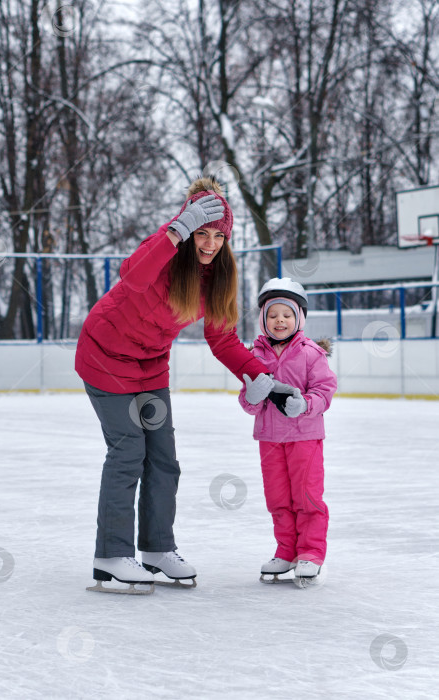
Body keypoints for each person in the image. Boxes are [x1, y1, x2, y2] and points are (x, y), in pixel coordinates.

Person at [76, 176, 276, 591]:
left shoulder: (218, 276)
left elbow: (222, 339)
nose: (209, 244)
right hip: (105, 357)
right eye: (201, 232)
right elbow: (130, 276)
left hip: (150, 366)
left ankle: (156, 549)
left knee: (164, 458)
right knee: (128, 450)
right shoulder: (164, 250)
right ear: (187, 227)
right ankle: (112, 554)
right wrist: (175, 231)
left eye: (218, 235)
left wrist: (257, 374)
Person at [238, 277, 337, 585]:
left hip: (305, 438)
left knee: (307, 497)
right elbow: (248, 401)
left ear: (299, 318)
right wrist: (251, 397)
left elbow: (326, 390)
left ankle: (309, 553)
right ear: (263, 320)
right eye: (272, 314)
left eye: (286, 314)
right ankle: (286, 551)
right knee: (278, 498)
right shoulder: (254, 356)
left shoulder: (311, 354)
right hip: (269, 439)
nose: (279, 320)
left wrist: (305, 404)